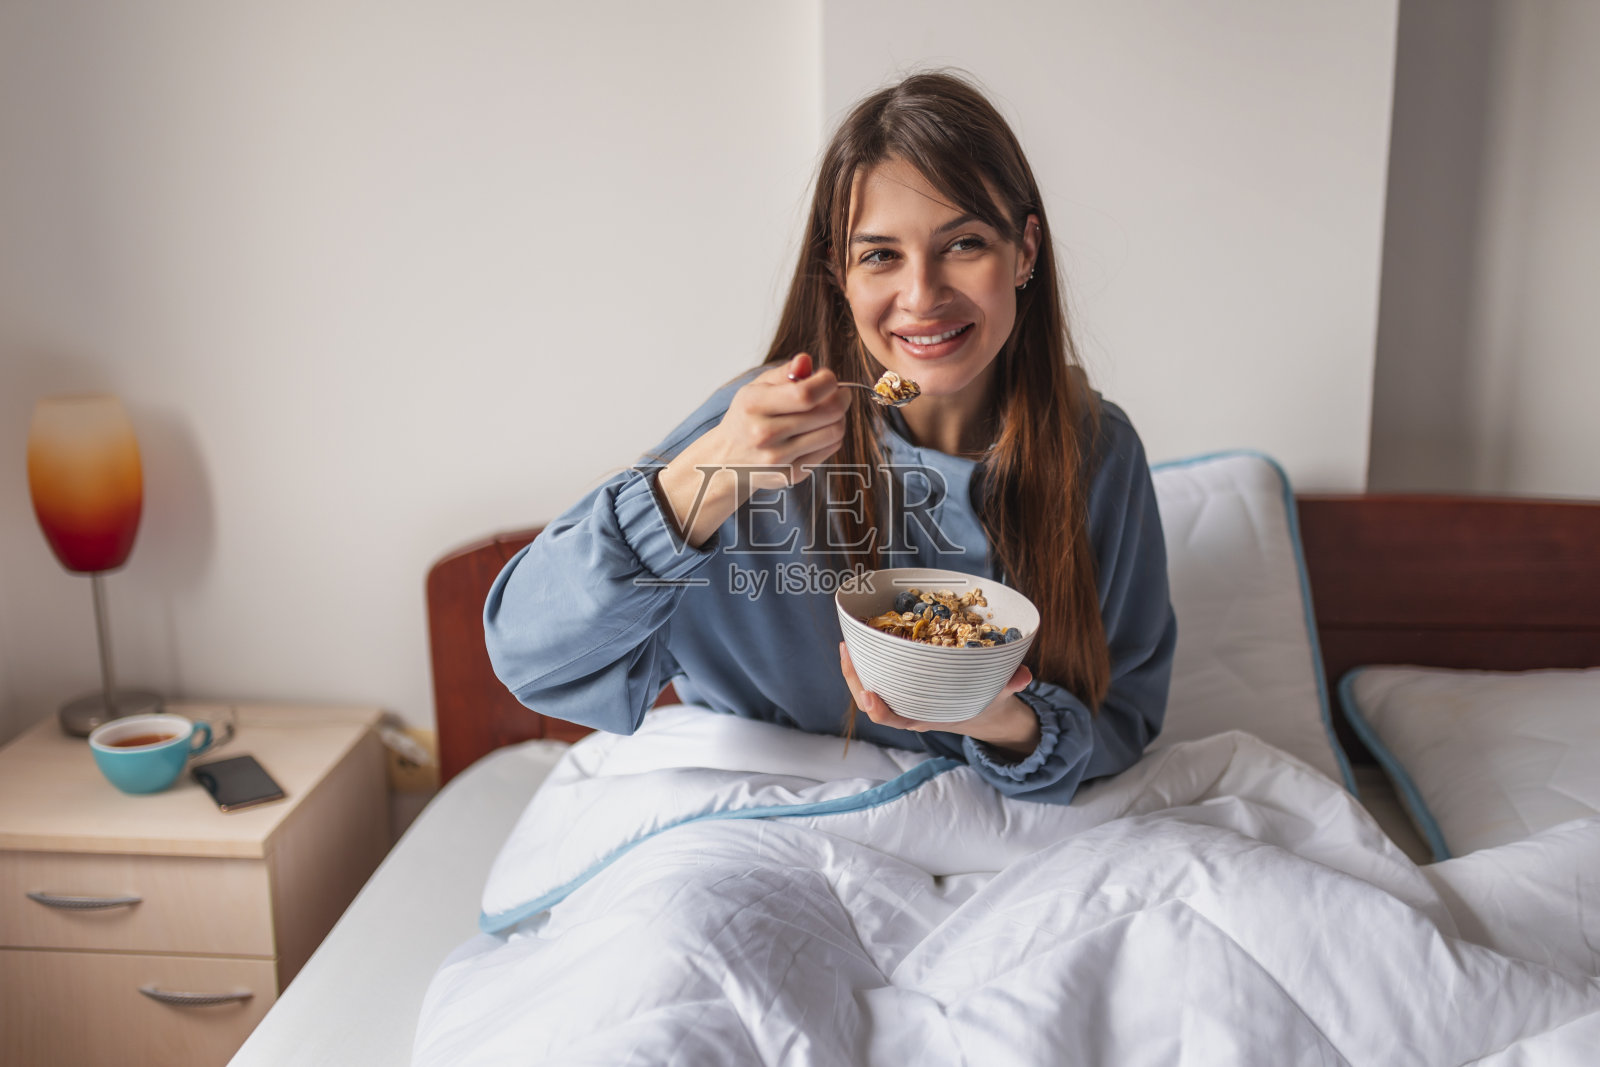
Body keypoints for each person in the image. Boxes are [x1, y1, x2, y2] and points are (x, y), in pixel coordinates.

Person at [484, 71, 1177, 805]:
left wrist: (997, 717)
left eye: (964, 243)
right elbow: (533, 656)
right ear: (838, 273)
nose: (922, 295)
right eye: (880, 255)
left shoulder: (1095, 451)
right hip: (768, 825)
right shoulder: (757, 437)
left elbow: (1125, 717)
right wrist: (708, 474)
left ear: (1025, 249)